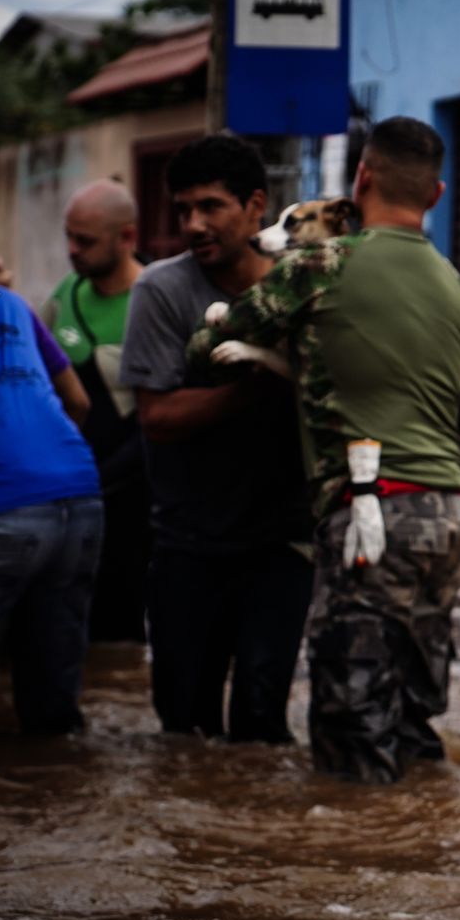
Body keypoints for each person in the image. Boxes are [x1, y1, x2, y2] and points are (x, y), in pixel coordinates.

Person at [187, 117, 460, 784]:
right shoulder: (459, 290)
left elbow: (208, 349)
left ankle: (354, 878)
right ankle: (423, 859)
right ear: (437, 193)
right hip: (449, 521)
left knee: (353, 732)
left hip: (368, 515)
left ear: (362, 178)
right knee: (414, 719)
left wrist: (295, 359)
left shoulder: (318, 264)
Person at [119, 135, 314, 743]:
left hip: (281, 545)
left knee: (262, 729)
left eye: (210, 207)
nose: (194, 224)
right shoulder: (163, 290)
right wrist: (256, 386)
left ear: (256, 205)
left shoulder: (302, 284)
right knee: (185, 731)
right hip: (187, 546)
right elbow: (156, 416)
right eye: (183, 211)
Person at [0, 281, 103, 734]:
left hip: (1, 508)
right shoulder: (9, 302)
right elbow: (78, 402)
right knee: (52, 709)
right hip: (80, 492)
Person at [43, 180, 151, 642]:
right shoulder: (64, 294)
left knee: (120, 626)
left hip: (132, 498)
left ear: (126, 237)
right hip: (70, 493)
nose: (72, 250)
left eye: (84, 240)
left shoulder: (153, 298)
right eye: (69, 236)